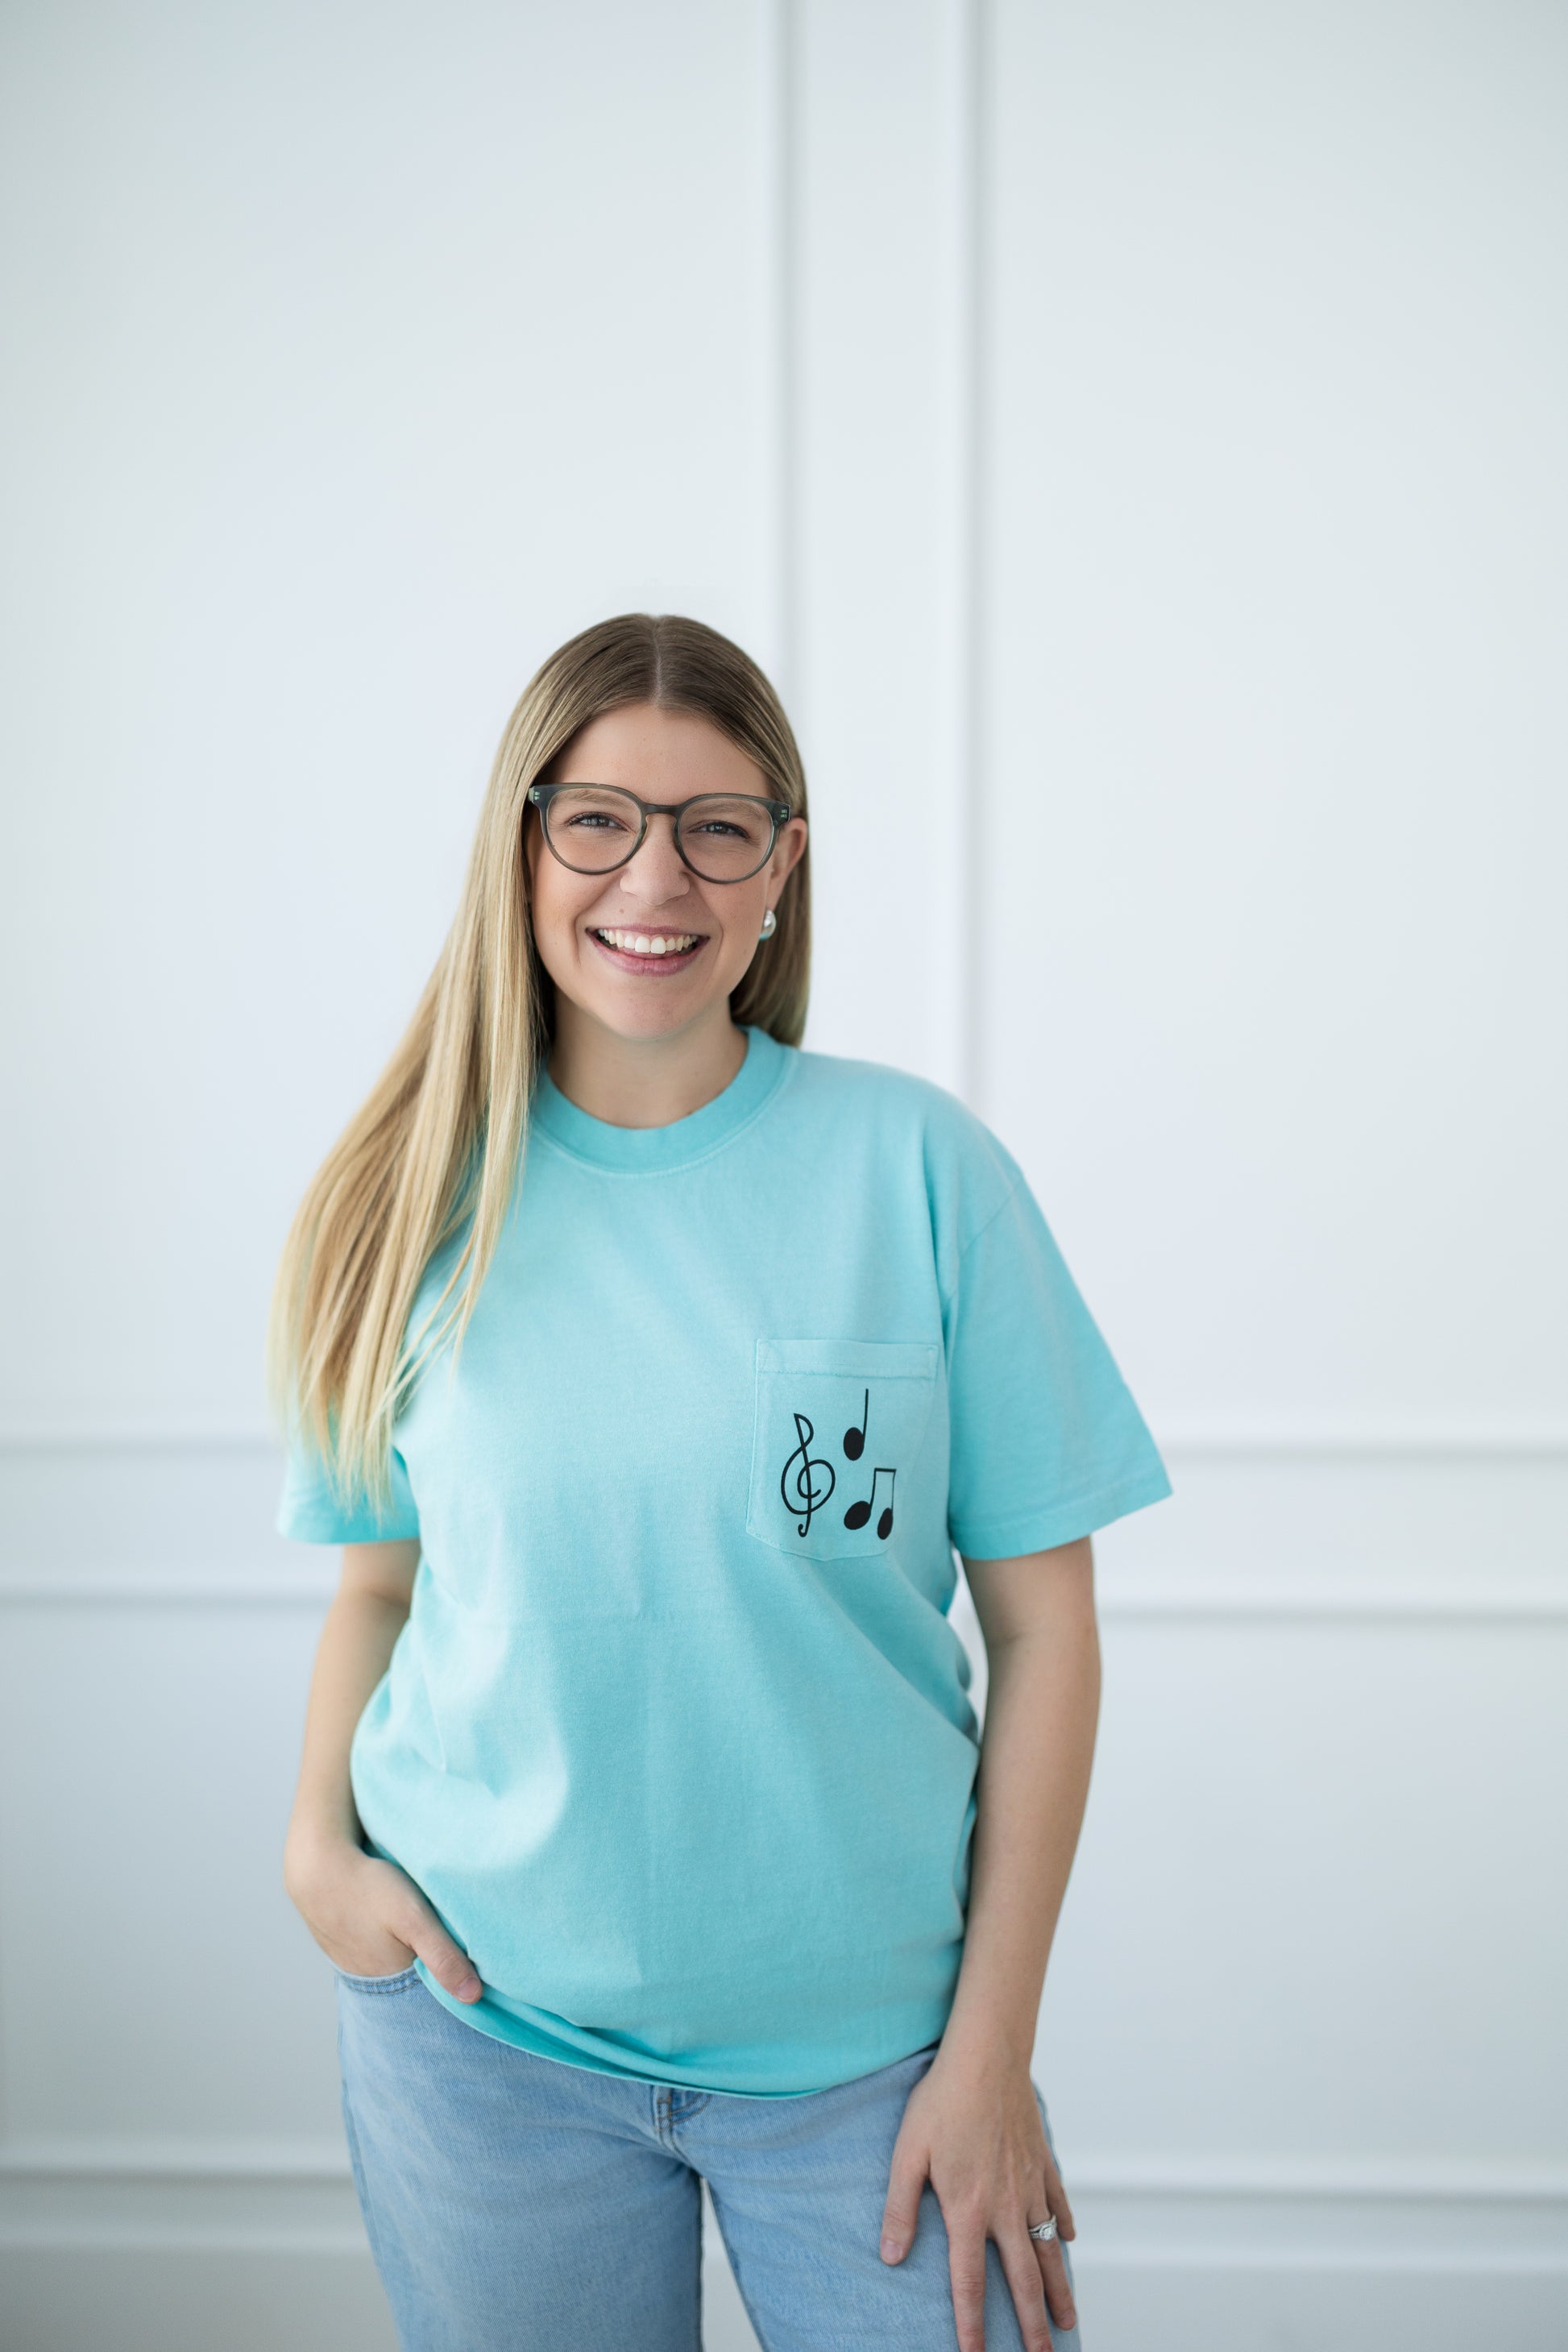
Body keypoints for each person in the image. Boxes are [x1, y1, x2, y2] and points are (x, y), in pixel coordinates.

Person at [271, 612, 1171, 2352]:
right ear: (522, 847)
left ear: (782, 868)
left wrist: (989, 2053)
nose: (654, 877)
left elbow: (1045, 1632)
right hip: (482, 2037)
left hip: (875, 2062)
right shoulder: (401, 1204)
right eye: (598, 819)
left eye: (716, 827)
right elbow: (379, 1582)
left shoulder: (919, 1171)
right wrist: (318, 1846)